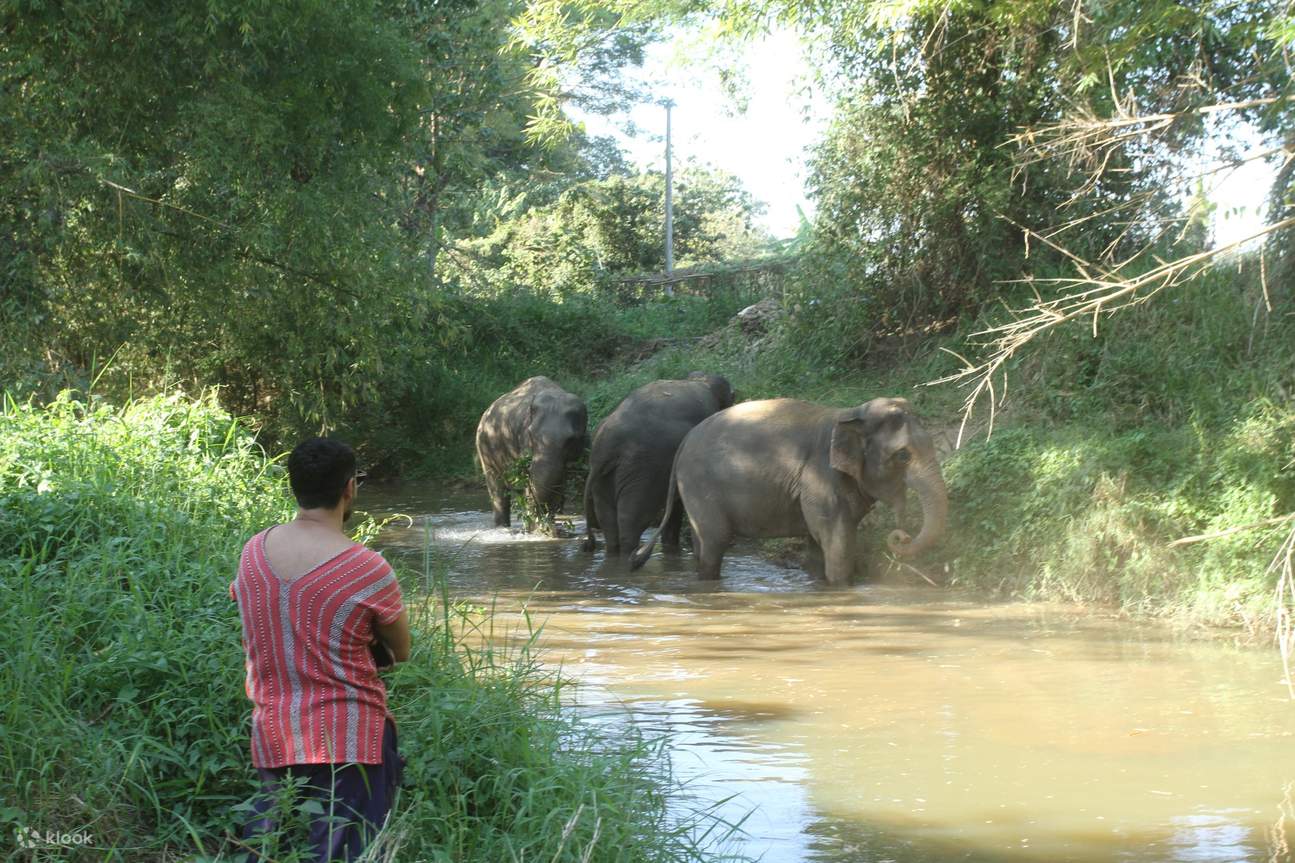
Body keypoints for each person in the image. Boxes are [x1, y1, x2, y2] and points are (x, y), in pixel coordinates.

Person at [231, 437, 411, 862]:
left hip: (275, 733)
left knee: (272, 851)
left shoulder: (253, 551)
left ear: (293, 486)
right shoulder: (368, 568)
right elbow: (400, 650)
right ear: (350, 488)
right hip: (352, 742)